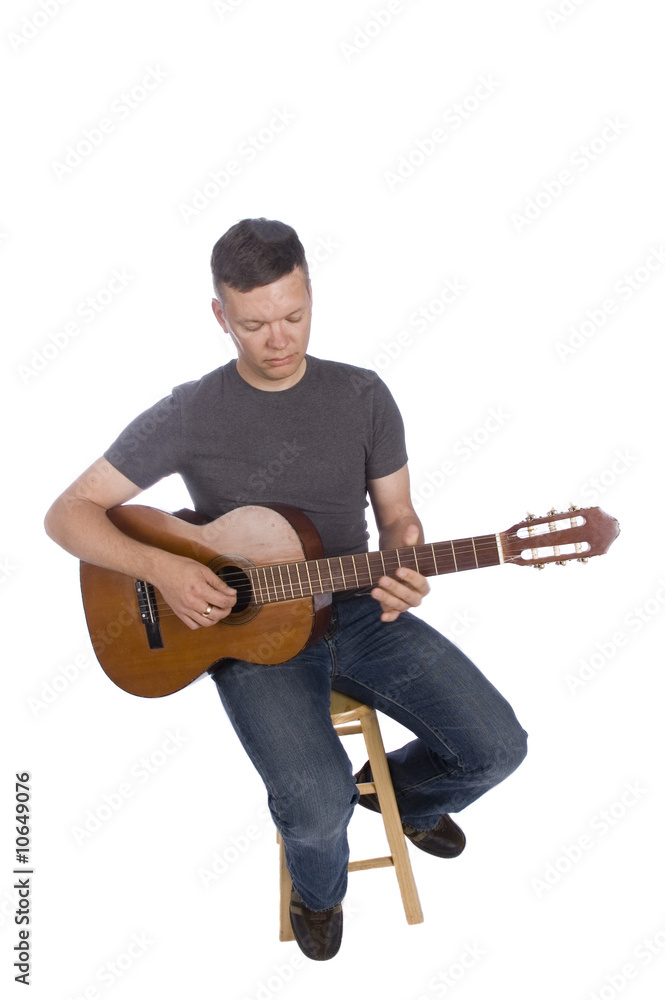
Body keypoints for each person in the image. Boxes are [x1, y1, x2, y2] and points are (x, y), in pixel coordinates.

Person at [45, 218, 528, 961]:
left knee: (496, 748)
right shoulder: (191, 411)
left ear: (310, 295)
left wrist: (404, 563)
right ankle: (319, 891)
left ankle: (401, 797)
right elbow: (67, 514)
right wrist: (165, 569)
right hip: (252, 639)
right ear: (220, 316)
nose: (279, 339)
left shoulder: (362, 394)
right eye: (254, 324)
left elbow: (398, 518)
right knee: (314, 803)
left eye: (294, 316)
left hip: (359, 611)